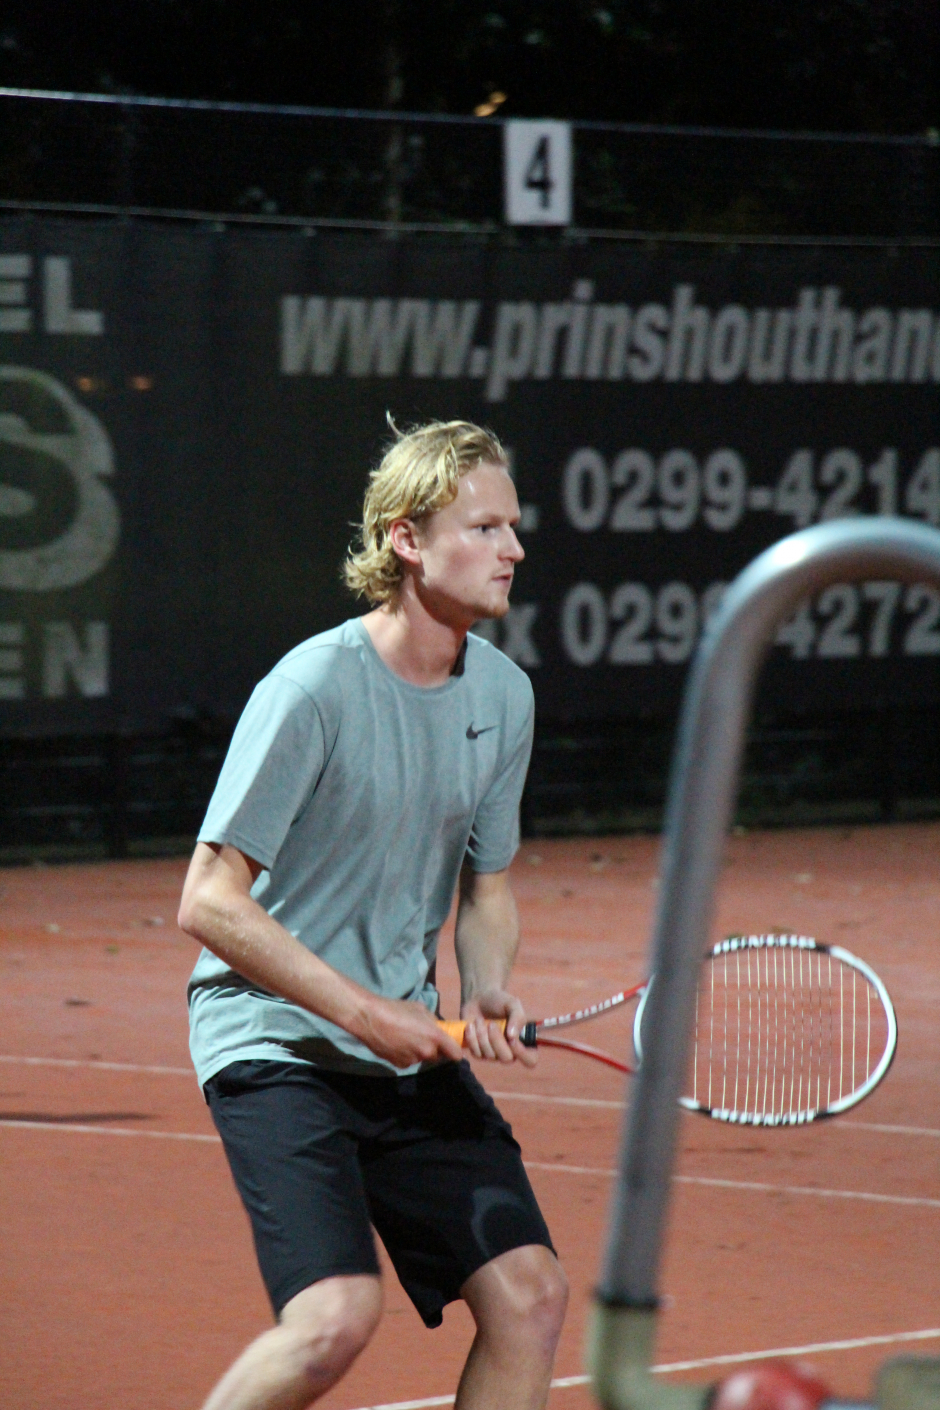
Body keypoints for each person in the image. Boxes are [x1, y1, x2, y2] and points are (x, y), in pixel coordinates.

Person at [178, 419, 568, 1410]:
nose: (514, 549)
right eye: (484, 528)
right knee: (334, 1318)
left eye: (513, 526)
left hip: (400, 1047)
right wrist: (364, 1012)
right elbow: (209, 902)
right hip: (274, 1043)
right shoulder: (312, 688)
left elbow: (486, 890)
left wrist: (485, 987)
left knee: (529, 1298)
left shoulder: (505, 698)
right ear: (406, 539)